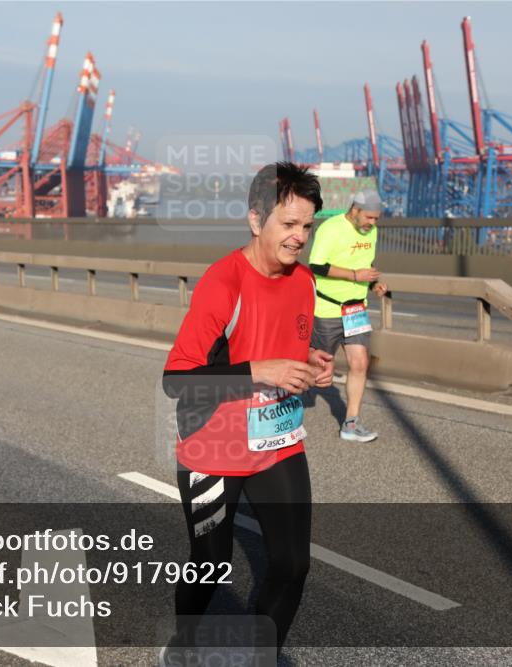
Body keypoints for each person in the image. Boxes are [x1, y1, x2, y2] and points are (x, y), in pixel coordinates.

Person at [161, 162, 334, 662]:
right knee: (210, 564)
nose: (299, 237)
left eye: (307, 225)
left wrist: (310, 365)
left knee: (291, 564)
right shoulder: (223, 282)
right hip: (211, 446)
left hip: (276, 440)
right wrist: (261, 369)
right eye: (288, 224)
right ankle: (184, 643)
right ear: (256, 221)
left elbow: (283, 353)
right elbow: (176, 379)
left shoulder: (303, 281)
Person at [307, 190, 389, 442]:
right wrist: (355, 276)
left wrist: (373, 284)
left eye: (376, 219)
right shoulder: (330, 229)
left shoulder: (371, 232)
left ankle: (350, 424)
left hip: (356, 310)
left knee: (360, 363)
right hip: (328, 309)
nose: (372, 224)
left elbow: (366, 262)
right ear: (355, 210)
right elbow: (316, 265)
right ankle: (285, 414)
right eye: (369, 218)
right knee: (317, 369)